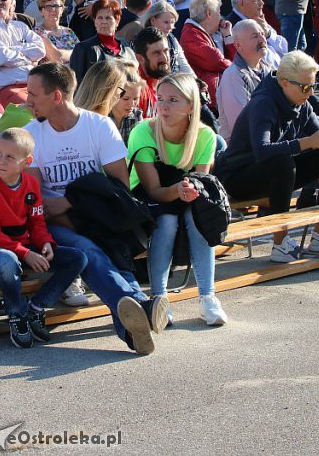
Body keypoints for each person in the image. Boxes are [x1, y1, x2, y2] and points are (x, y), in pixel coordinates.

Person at [24, 62, 170, 355]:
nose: (27, 101)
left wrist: (71, 201)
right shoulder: (31, 134)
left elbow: (120, 187)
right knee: (89, 251)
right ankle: (141, 304)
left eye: (33, 94)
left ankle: (132, 332)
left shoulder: (98, 126)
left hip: (95, 216)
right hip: (55, 224)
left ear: (56, 96)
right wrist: (72, 214)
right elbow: (40, 204)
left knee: (110, 250)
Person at [216, 51, 319, 262]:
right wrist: (308, 142)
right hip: (239, 177)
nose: (310, 93)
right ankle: (280, 243)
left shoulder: (302, 103)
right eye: (305, 87)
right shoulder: (263, 103)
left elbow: (317, 137)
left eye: (313, 86)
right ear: (284, 83)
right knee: (283, 162)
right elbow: (262, 150)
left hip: (273, 172)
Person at [127, 72, 227, 326]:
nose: (163, 106)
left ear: (190, 106)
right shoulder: (143, 131)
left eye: (173, 100)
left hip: (184, 189)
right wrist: (180, 191)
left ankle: (208, 297)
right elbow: (152, 190)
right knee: (168, 221)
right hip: (148, 196)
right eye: (160, 98)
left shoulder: (205, 136)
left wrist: (190, 190)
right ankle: (159, 298)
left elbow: (200, 181)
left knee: (200, 218)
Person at [0, 128, 88, 348]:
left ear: (27, 162)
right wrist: (25, 253)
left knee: (78, 258)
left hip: (26, 247)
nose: (1, 160)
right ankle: (16, 314)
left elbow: (37, 223)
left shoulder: (31, 185)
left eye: (9, 157)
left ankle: (35, 308)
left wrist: (45, 243)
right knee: (7, 261)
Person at [215, 20, 271, 140]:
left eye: (262, 34)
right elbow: (242, 125)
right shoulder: (233, 75)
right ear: (238, 45)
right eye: (255, 36)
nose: (262, 40)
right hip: (244, 150)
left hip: (268, 139)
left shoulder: (269, 70)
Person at [180, 0, 232, 106]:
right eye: (219, 12)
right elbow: (217, 61)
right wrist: (238, 68)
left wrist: (228, 36)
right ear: (209, 13)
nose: (221, 18)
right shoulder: (191, 35)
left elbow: (234, 58)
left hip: (217, 96)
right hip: (207, 102)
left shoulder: (206, 33)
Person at [69, 0, 135, 82]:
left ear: (117, 21)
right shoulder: (83, 48)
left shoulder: (126, 46)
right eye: (100, 18)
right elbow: (77, 82)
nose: (104, 21)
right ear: (94, 21)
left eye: (108, 18)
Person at [225, 0, 286, 67]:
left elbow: (284, 49)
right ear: (242, 4)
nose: (262, 4)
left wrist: (268, 34)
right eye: (257, 0)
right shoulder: (231, 27)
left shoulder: (257, 19)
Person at [140, 1, 191, 75]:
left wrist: (195, 82)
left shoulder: (172, 40)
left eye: (172, 22)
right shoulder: (142, 41)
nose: (170, 27)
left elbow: (184, 65)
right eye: (166, 22)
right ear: (153, 20)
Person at [132, 27, 172, 117]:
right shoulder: (136, 90)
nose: (164, 58)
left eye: (166, 51)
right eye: (157, 53)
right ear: (140, 58)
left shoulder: (171, 84)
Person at [32, 0, 78, 64]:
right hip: (50, 74)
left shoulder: (69, 32)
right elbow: (57, 57)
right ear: (41, 11)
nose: (53, 9)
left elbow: (82, 53)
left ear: (62, 9)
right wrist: (75, 53)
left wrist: (65, 54)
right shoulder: (37, 33)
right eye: (48, 6)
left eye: (56, 6)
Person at [110, 63, 145, 143]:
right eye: (126, 99)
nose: (132, 104)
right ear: (112, 94)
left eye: (136, 99)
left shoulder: (136, 115)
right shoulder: (102, 116)